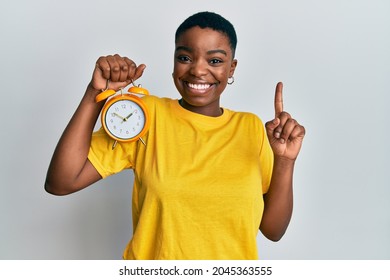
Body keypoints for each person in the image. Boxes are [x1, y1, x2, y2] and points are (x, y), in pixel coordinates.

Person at [45, 11, 305, 260]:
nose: (198, 70)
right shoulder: (147, 115)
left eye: (215, 60)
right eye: (185, 57)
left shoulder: (251, 128)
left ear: (231, 68)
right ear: (173, 62)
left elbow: (273, 230)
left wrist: (285, 161)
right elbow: (62, 182)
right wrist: (94, 95)